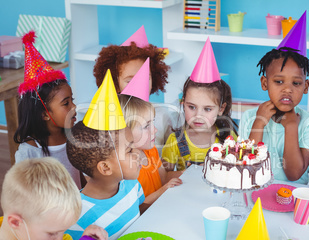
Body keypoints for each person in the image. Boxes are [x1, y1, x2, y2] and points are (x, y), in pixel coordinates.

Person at [239, 12, 309, 184]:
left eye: (296, 84)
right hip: (255, 189)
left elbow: (294, 174)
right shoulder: (249, 117)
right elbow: (246, 166)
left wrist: (291, 127)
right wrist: (259, 123)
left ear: (306, 87)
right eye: (279, 81)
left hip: (292, 196)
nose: (287, 89)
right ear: (265, 83)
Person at [65, 70, 145, 240]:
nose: (138, 153)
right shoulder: (76, 215)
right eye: (130, 150)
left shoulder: (132, 186)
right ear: (106, 168)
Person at [0, 157, 107, 240]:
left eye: (63, 231)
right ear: (16, 222)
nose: (59, 239)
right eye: (52, 233)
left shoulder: (48, 230)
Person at [92, 26, 180, 155]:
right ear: (115, 83)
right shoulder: (109, 117)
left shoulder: (162, 115)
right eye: (129, 80)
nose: (139, 85)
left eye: (145, 78)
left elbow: (172, 151)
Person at [13, 31, 83, 189]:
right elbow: (22, 193)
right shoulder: (29, 153)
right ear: (44, 113)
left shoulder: (75, 138)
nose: (74, 107)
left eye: (72, 100)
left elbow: (83, 182)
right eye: (66, 103)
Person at [162, 38, 237, 171]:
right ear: (183, 103)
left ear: (221, 109)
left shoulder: (228, 138)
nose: (198, 115)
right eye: (191, 107)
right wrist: (190, 174)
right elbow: (163, 177)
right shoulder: (176, 140)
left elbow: (237, 171)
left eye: (207, 109)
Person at [119, 94, 183, 206]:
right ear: (124, 131)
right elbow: (138, 207)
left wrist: (186, 173)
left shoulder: (151, 150)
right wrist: (163, 190)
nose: (155, 130)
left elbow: (163, 179)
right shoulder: (125, 167)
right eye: (146, 126)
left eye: (153, 122)